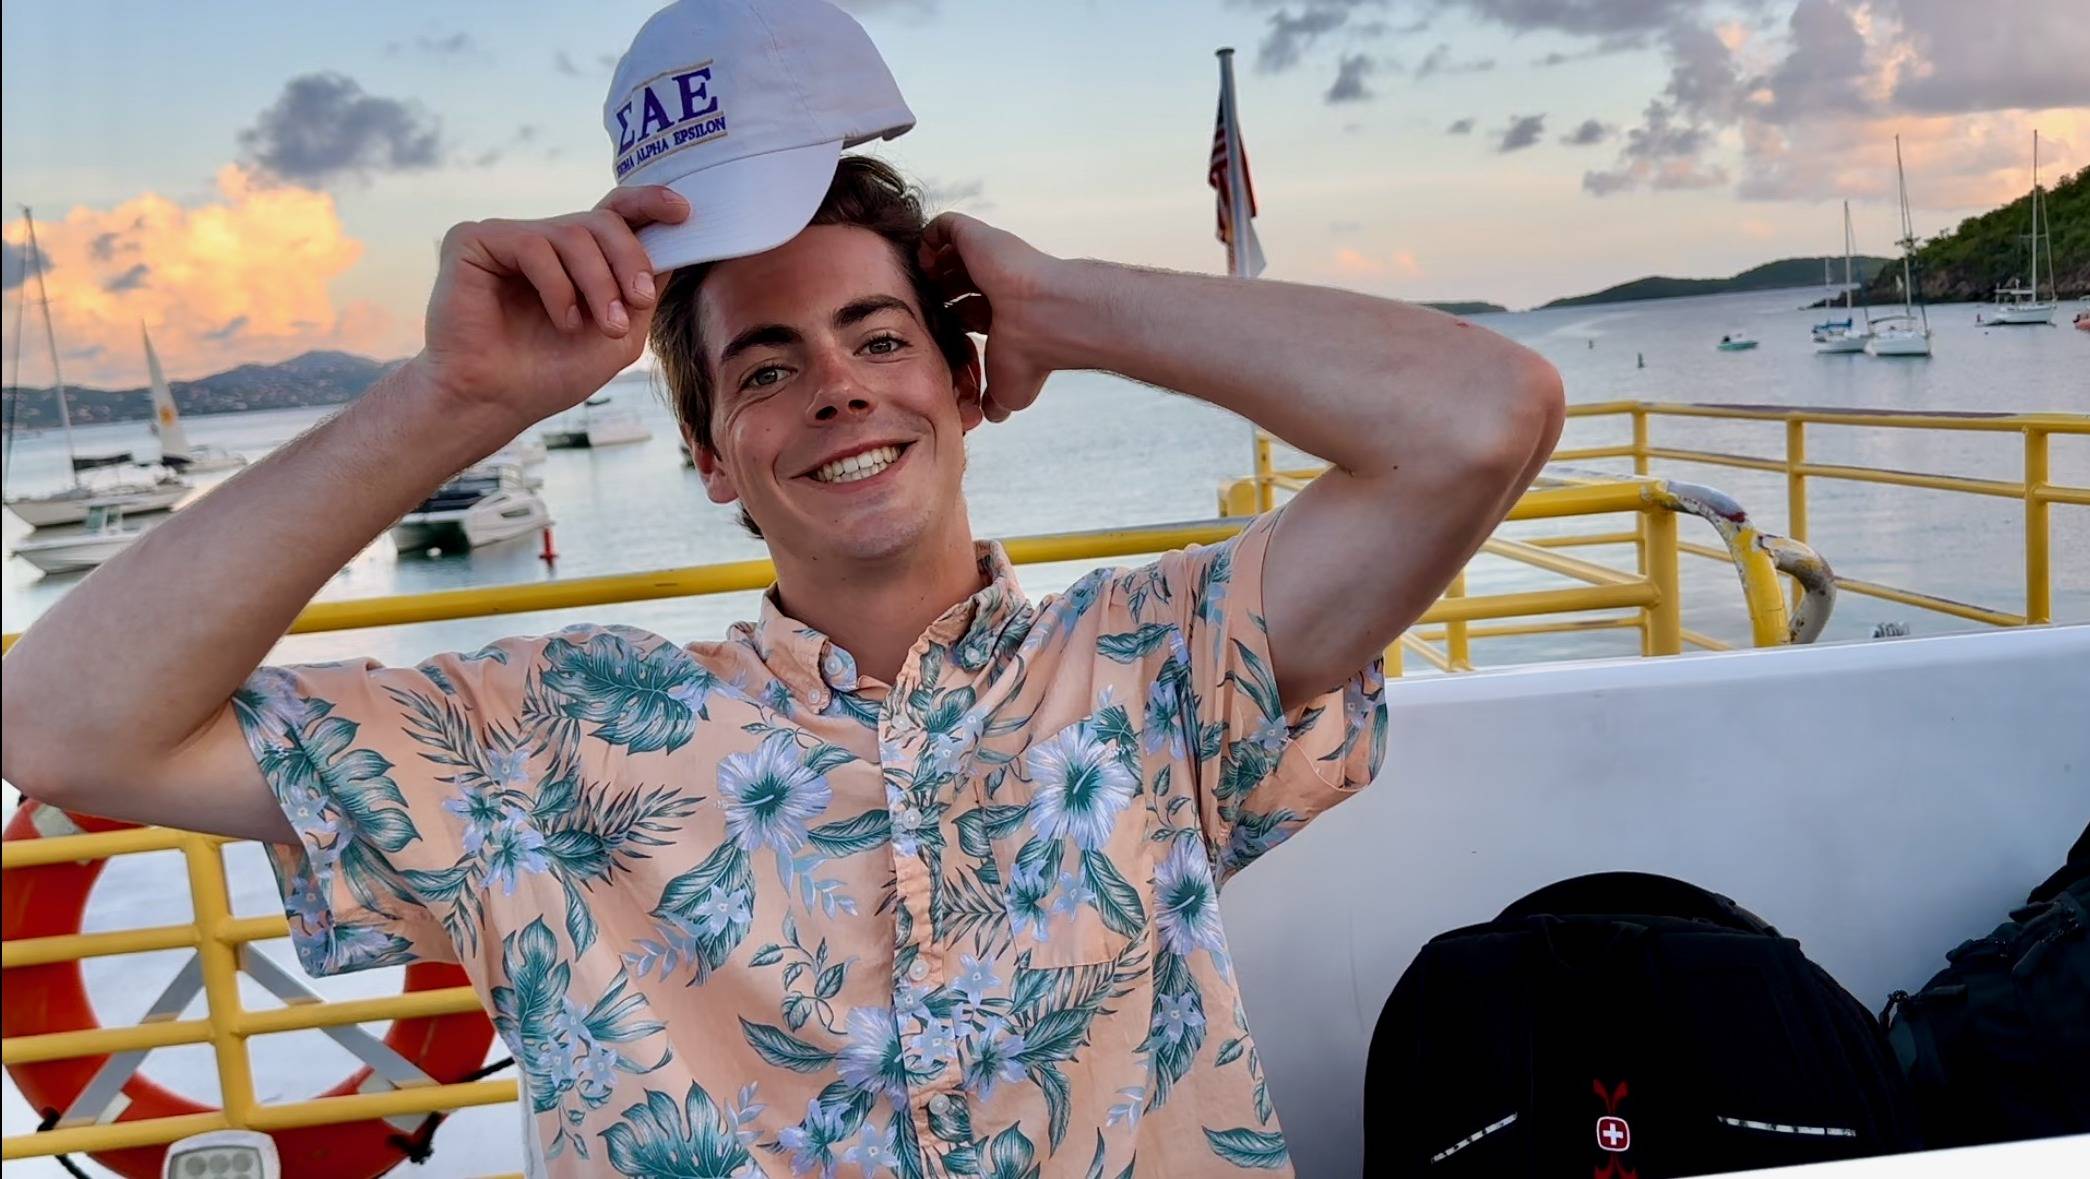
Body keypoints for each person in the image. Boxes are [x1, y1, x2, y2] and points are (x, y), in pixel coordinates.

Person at [1, 1, 1561, 1174]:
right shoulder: (543, 747)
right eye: (764, 367)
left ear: (965, 383)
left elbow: (1480, 419)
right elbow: (66, 728)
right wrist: (452, 400)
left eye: (879, 339)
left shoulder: (1155, 665)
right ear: (706, 458)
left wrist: (1061, 301)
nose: (837, 387)